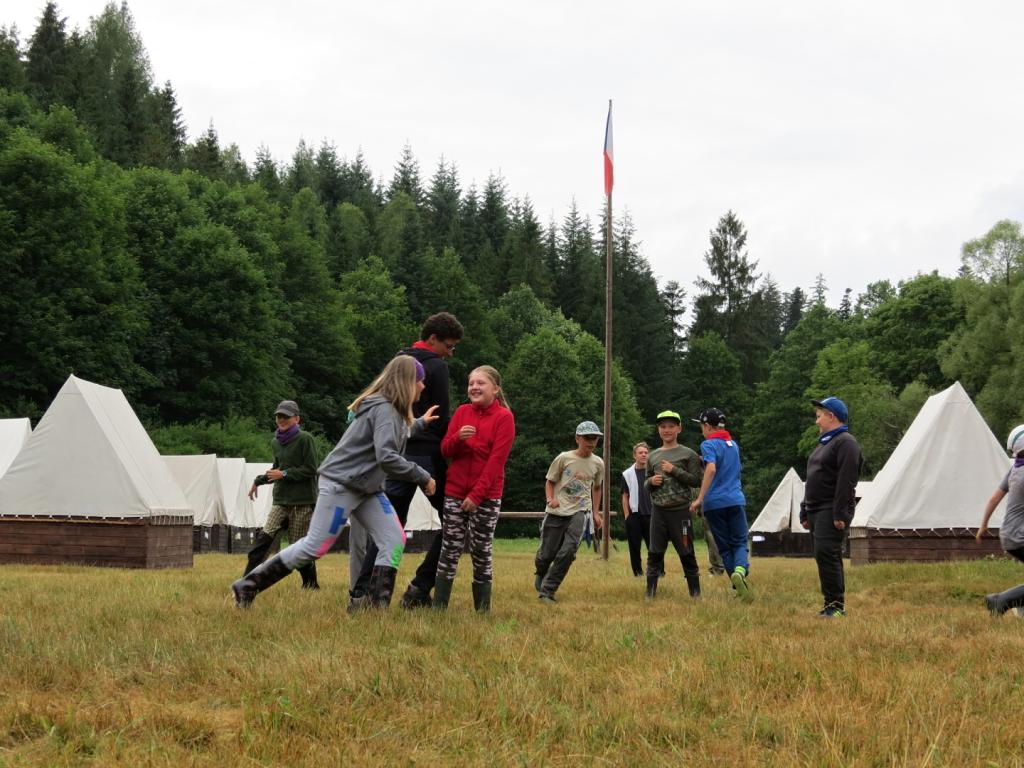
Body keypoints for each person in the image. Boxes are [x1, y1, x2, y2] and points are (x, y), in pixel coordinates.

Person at [231, 356, 438, 609]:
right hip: (342, 485)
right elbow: (387, 456)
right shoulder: (385, 409)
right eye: (420, 381)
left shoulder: (389, 411)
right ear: (408, 382)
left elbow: (393, 434)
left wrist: (419, 424)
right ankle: (248, 586)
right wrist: (423, 476)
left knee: (393, 539)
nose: (423, 387)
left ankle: (373, 606)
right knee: (315, 547)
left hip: (366, 488)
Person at [349, 312, 464, 611]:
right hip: (427, 454)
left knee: (390, 528)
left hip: (396, 451)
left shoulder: (398, 361)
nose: (451, 354)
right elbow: (440, 417)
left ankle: (363, 595)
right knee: (455, 523)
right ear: (432, 339)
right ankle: (419, 587)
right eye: (449, 346)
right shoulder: (436, 367)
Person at [432, 366, 516, 612]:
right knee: (450, 548)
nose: (475, 387)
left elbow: (496, 463)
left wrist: (476, 496)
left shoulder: (504, 418)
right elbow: (445, 451)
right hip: (455, 492)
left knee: (481, 550)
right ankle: (439, 608)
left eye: (481, 383)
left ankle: (482, 609)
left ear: (496, 389)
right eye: (471, 383)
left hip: (486, 496)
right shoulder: (461, 412)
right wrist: (457, 437)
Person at [242, 400, 321, 590]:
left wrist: (284, 474)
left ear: (297, 418)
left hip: (303, 502)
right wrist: (259, 481)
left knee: (298, 550)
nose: (282, 419)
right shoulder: (275, 442)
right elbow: (277, 469)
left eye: (286, 416)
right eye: (279, 416)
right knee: (262, 543)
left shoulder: (305, 439)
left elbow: (311, 469)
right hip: (281, 501)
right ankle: (245, 585)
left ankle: (310, 585)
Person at [799, 396, 862, 618]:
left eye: (819, 416)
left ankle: (836, 606)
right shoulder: (822, 446)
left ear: (831, 416)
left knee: (828, 554)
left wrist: (840, 513)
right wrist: (804, 509)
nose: (816, 422)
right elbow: (812, 479)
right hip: (816, 508)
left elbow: (846, 481)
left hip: (830, 508)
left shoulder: (846, 443)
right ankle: (829, 604)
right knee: (821, 555)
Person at [534, 421, 605, 604]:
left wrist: (596, 513)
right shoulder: (564, 458)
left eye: (594, 438)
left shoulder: (598, 463)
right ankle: (541, 570)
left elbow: (597, 488)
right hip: (556, 510)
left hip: (581, 510)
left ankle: (548, 591)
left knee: (568, 550)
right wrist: (551, 499)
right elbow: (550, 481)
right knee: (547, 554)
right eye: (587, 438)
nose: (591, 441)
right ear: (577, 438)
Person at [689, 408, 752, 602]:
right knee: (740, 542)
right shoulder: (733, 445)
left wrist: (700, 498)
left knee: (724, 548)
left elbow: (712, 468)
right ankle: (740, 572)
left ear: (707, 426)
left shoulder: (708, 444)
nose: (701, 430)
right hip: (735, 500)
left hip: (714, 503)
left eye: (701, 426)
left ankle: (737, 584)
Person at [645, 410, 703, 600]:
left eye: (671, 426)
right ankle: (650, 594)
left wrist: (674, 470)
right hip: (658, 513)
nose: (667, 430)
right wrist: (651, 482)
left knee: (686, 551)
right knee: (654, 553)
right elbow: (646, 483)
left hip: (681, 514)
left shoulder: (689, 454)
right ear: (658, 430)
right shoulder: (652, 456)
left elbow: (696, 481)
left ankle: (695, 594)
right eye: (663, 427)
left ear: (679, 428)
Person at [977, 423, 1024, 616]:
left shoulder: (1014, 470)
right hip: (1021, 536)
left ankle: (1015, 609)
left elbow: (993, 498)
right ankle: (1001, 600)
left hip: (1008, 535)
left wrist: (983, 525)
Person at [621, 442, 653, 577]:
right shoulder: (627, 474)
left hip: (652, 514)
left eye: (646, 452)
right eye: (640, 452)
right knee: (634, 547)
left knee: (654, 546)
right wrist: (627, 516)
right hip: (634, 514)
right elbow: (624, 496)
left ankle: (657, 571)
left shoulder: (653, 472)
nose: (644, 455)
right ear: (635, 455)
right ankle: (638, 572)